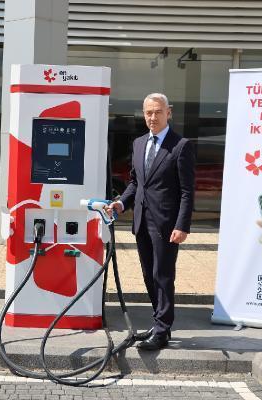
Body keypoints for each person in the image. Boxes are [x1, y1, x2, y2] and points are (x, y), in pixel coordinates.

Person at [108, 93, 195, 350]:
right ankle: (159, 324)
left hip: (166, 224)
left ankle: (162, 329)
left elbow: (187, 191)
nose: (152, 117)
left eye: (157, 112)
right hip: (141, 222)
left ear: (169, 112)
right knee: (148, 274)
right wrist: (121, 203)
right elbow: (136, 183)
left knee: (162, 275)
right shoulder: (139, 144)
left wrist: (182, 225)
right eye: (148, 112)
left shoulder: (180, 146)